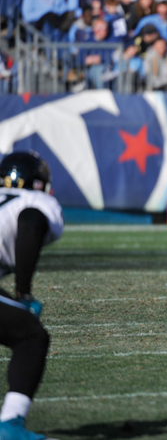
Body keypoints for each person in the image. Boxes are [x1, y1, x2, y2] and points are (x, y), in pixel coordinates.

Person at [0, 151, 64, 440]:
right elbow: (31, 221)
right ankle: (11, 425)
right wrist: (23, 292)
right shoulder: (36, 202)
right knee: (31, 335)